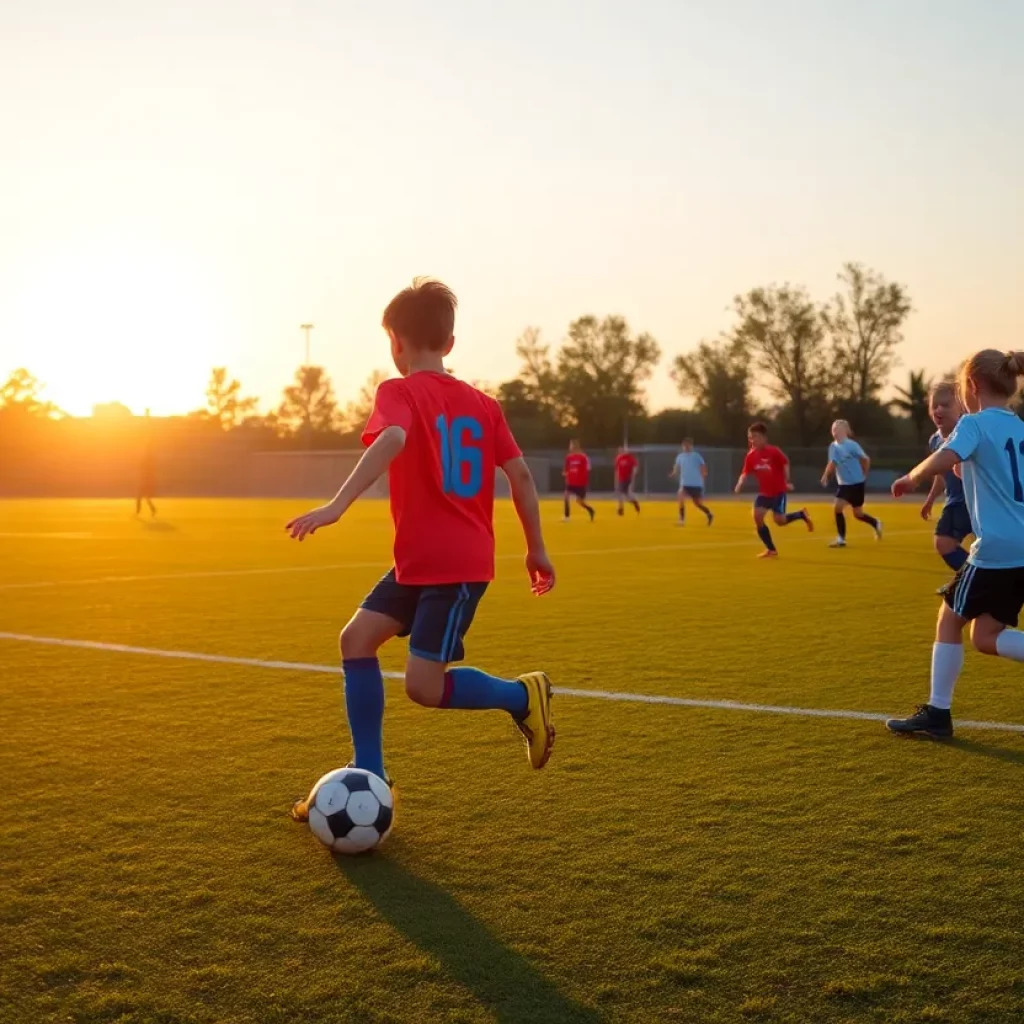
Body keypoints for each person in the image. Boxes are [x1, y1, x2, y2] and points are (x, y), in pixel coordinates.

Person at [285, 279, 556, 818]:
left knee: (423, 688)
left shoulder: (397, 392)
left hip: (454, 568)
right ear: (450, 343)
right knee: (356, 640)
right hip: (416, 562)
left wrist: (336, 506)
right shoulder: (485, 404)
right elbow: (520, 476)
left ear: (395, 342)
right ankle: (371, 773)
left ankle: (523, 697)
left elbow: (391, 440)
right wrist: (536, 549)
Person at [887, 350, 1024, 739]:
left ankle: (937, 714)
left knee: (948, 620)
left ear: (973, 386)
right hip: (1022, 547)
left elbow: (943, 458)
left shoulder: (975, 424)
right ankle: (937, 713)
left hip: (996, 549)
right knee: (984, 637)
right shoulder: (1019, 427)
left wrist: (911, 478)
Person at [921, 382, 973, 591]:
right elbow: (941, 475)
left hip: (976, 502)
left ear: (961, 407)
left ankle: (971, 583)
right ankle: (970, 581)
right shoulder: (935, 440)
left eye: (945, 405)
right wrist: (931, 499)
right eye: (935, 406)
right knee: (946, 543)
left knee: (945, 542)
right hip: (956, 503)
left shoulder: (970, 432)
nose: (939, 410)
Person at [734, 422, 814, 558]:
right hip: (764, 493)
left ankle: (801, 515)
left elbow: (785, 462)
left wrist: (787, 480)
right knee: (757, 516)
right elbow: (745, 472)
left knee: (780, 521)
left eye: (756, 436)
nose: (753, 440)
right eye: (750, 437)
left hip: (778, 493)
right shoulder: (751, 456)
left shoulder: (773, 451)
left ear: (764, 438)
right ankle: (771, 550)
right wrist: (740, 482)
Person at [820, 419, 882, 547]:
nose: (834, 431)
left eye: (837, 428)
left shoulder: (851, 445)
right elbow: (832, 462)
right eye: (833, 428)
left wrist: (864, 474)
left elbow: (865, 459)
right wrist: (826, 474)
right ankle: (875, 523)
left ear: (845, 431)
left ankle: (841, 539)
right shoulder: (833, 447)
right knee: (857, 514)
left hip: (856, 484)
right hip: (844, 484)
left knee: (842, 509)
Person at [669, 438, 713, 526]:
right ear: (682, 447)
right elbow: (677, 467)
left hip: (696, 484)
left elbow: (703, 466)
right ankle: (681, 520)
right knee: (680, 497)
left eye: (688, 445)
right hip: (685, 483)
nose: (686, 447)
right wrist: (673, 473)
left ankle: (709, 514)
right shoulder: (680, 457)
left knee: (697, 504)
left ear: (691, 446)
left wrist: (704, 474)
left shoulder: (696, 456)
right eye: (684, 446)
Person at [562, 440, 595, 522]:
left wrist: (584, 480)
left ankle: (590, 510)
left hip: (580, 483)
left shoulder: (583, 457)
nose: (570, 447)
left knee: (580, 501)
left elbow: (588, 468)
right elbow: (566, 469)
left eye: (571, 445)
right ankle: (567, 517)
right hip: (571, 482)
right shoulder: (568, 457)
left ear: (575, 446)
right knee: (566, 496)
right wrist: (566, 473)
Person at [136, 411, 157, 518]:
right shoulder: (146, 459)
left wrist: (147, 417)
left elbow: (149, 435)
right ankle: (142, 511)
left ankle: (142, 511)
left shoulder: (147, 456)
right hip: (145, 480)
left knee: (143, 497)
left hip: (146, 480)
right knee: (142, 497)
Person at [614, 446, 641, 516]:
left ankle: (621, 509)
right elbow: (617, 469)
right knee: (625, 496)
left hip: (627, 478)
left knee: (621, 494)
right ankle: (634, 503)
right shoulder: (618, 458)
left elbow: (635, 467)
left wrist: (633, 474)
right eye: (619, 451)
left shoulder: (630, 458)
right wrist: (616, 477)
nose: (621, 452)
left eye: (622, 450)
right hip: (621, 479)